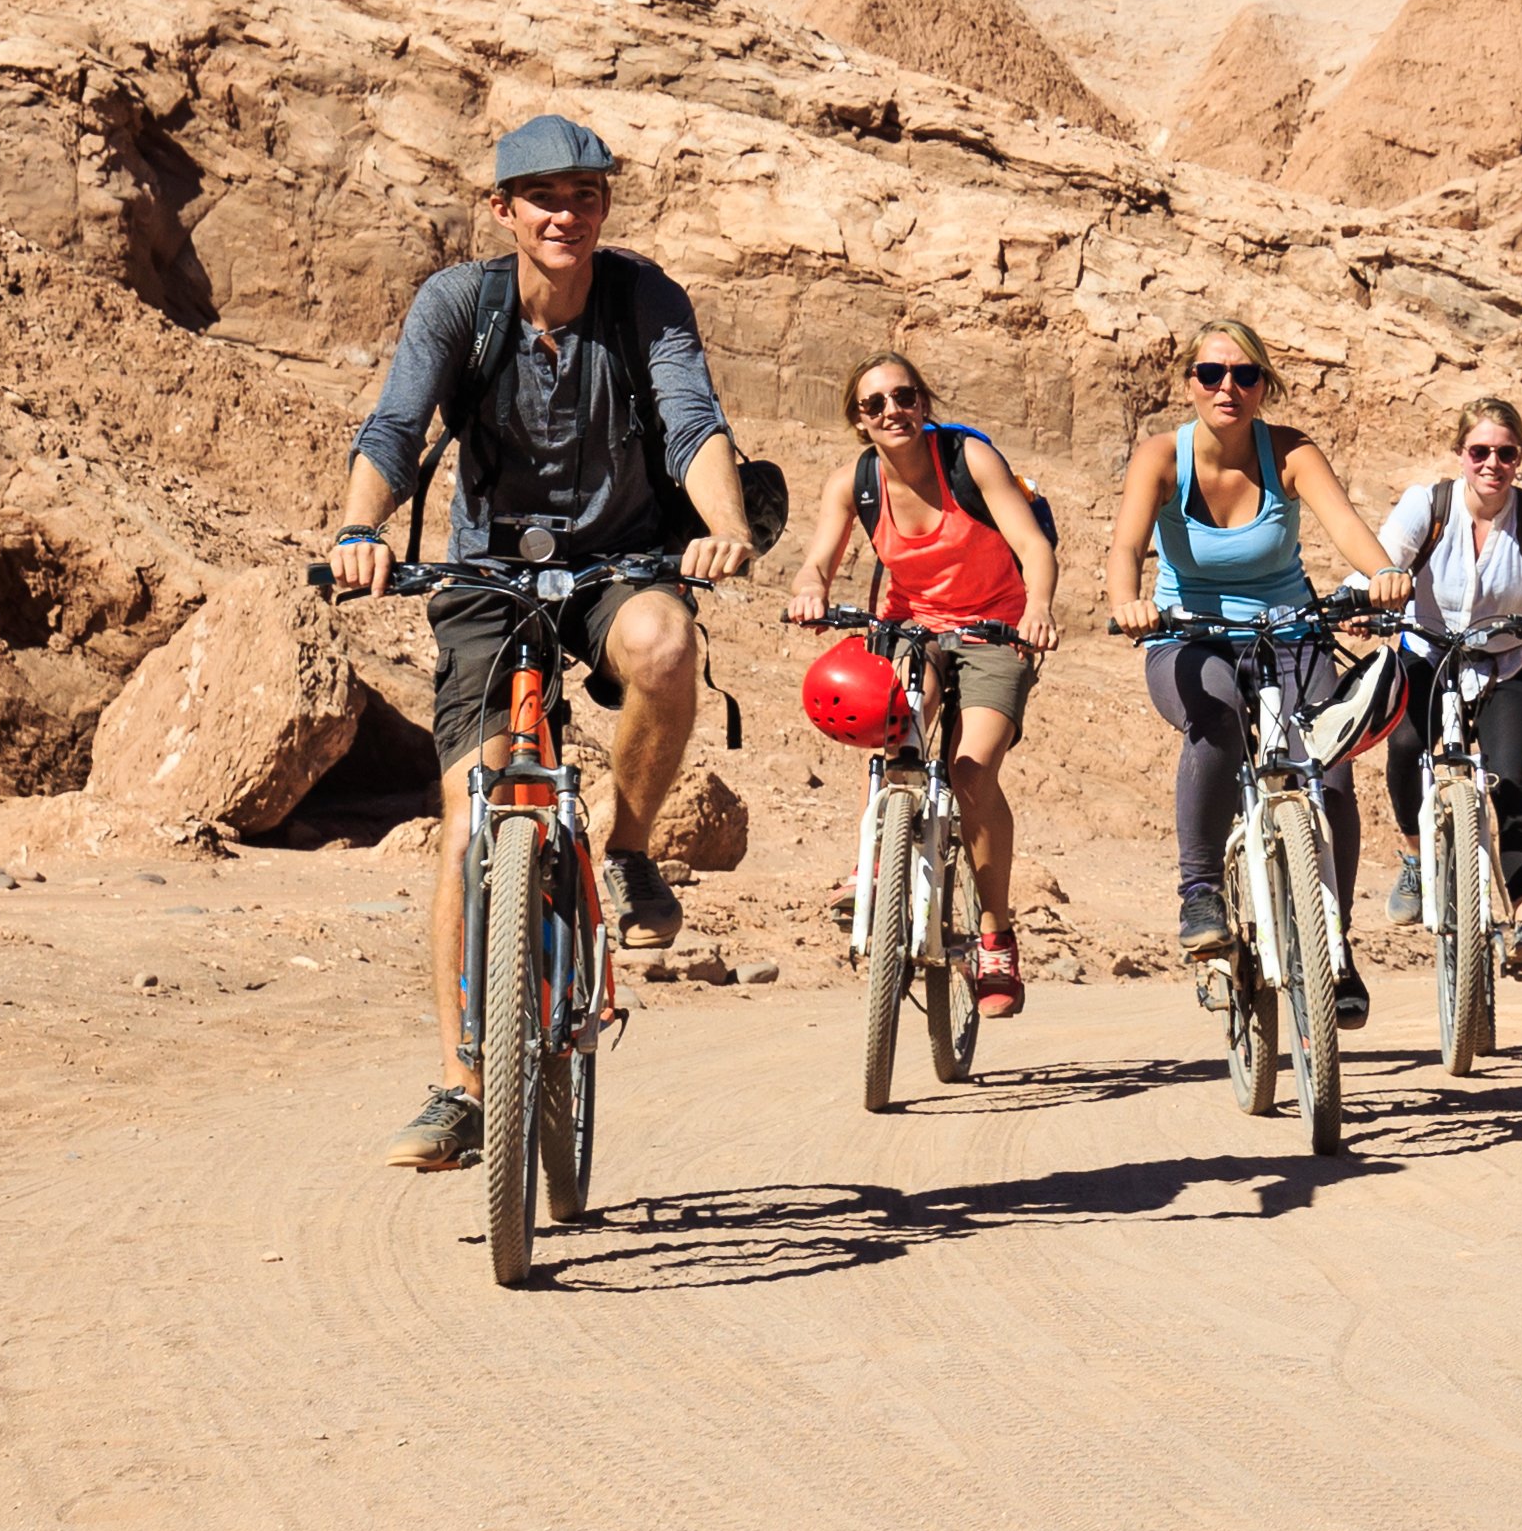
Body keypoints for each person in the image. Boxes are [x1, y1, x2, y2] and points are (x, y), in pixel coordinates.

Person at [330, 114, 759, 1173]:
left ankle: (623, 853)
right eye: (544, 198)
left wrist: (727, 525)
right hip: (484, 574)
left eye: (586, 196)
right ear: (503, 210)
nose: (567, 214)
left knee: (665, 649)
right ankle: (462, 1087)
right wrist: (357, 529)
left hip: (617, 565)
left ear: (604, 206)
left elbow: (692, 420)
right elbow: (396, 424)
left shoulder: (645, 297)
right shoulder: (458, 304)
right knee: (470, 808)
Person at [1100, 318, 1404, 1027]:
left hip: (1291, 634)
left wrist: (1384, 572)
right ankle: (1201, 891)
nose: (1227, 387)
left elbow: (1347, 526)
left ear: (1265, 385)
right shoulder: (1161, 457)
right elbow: (1125, 545)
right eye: (1210, 374)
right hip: (1189, 636)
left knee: (1329, 773)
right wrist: (1128, 603)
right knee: (1214, 718)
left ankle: (1333, 939)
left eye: (1243, 375)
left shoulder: (1290, 452)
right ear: (1189, 384)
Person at [779, 354, 1060, 1016]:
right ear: (859, 419)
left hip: (996, 628)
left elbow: (1033, 544)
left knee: (970, 772)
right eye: (873, 404)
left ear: (922, 402)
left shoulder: (968, 459)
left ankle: (994, 936)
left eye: (902, 396)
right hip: (912, 629)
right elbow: (819, 556)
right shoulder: (855, 480)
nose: (890, 411)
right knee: (894, 723)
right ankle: (880, 860)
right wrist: (810, 585)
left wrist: (1039, 608)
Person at [1372, 397, 1522, 982]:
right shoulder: (1428, 504)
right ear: (1461, 454)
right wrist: (1363, 599)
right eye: (1480, 451)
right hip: (1428, 654)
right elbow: (1384, 561)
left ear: (1520, 459)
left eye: (1506, 453)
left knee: (1511, 781)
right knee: (1404, 747)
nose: (1492, 463)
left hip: (1505, 663)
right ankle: (1416, 857)